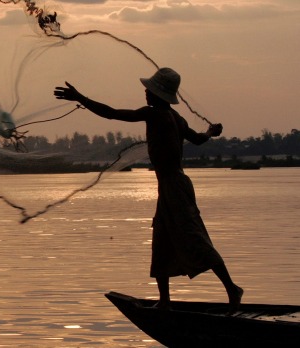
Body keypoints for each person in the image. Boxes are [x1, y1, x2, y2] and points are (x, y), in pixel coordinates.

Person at [54, 67, 243, 312]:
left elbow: (112, 114)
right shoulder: (176, 118)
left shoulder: (155, 115)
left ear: (159, 95)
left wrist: (81, 98)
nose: (145, 92)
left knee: (195, 239)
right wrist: (210, 132)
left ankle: (232, 289)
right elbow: (197, 139)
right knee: (162, 238)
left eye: (150, 89)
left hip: (174, 185)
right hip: (172, 185)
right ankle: (165, 301)